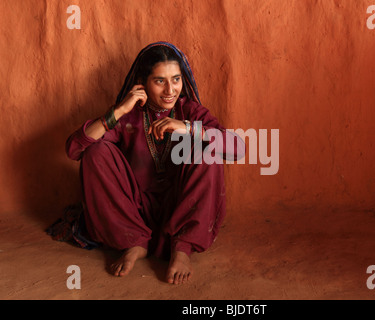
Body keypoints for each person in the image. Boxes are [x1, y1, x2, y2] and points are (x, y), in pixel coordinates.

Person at [63, 42, 245, 284]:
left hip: (181, 205)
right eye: (160, 81)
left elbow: (239, 148)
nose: (170, 90)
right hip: (133, 210)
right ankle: (134, 243)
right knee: (95, 152)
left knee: (208, 150)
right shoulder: (130, 115)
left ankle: (182, 249)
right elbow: (74, 149)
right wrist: (117, 111)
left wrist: (188, 127)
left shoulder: (189, 111)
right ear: (143, 83)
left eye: (176, 79)